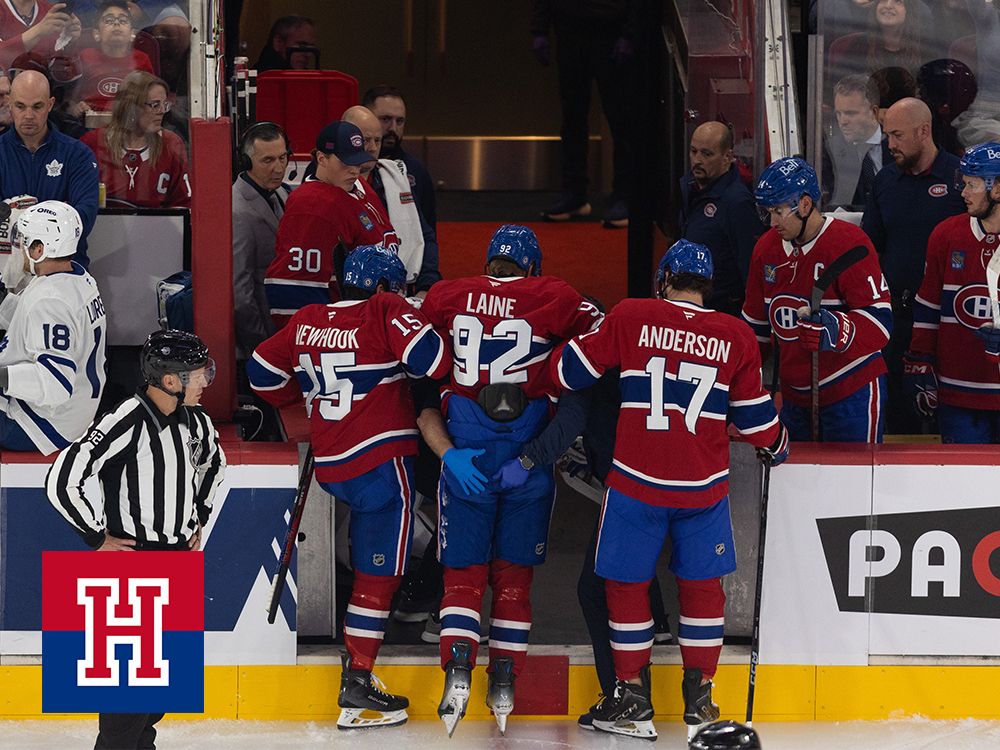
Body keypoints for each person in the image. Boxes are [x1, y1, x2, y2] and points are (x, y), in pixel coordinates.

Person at [554, 240, 789, 741]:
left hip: (635, 483)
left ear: (663, 280)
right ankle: (699, 698)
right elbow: (756, 420)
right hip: (701, 488)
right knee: (702, 590)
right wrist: (780, 444)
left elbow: (569, 371)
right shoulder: (736, 335)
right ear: (707, 288)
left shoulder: (632, 315)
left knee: (625, 586)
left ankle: (632, 698)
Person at [248, 245, 450, 730]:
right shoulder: (385, 308)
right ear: (384, 288)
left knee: (369, 564)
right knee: (378, 575)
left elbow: (260, 370)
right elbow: (435, 362)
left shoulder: (310, 318)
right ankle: (358, 681)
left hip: (333, 462)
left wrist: (304, 398)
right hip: (381, 461)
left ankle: (362, 672)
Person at [416, 224, 603, 735]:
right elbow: (601, 333)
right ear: (533, 267)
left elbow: (419, 353)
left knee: (463, 577)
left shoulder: (448, 294)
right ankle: (503, 675)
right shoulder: (557, 295)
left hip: (466, 458)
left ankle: (458, 665)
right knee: (514, 582)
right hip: (527, 462)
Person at [45, 328, 224, 750]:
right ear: (169, 380)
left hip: (177, 562)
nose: (204, 382)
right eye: (197, 374)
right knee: (126, 698)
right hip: (132, 568)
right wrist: (94, 536)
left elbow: (214, 468)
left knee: (157, 693)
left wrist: (196, 517)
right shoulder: (127, 418)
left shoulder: (197, 420)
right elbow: (63, 479)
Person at [743, 156, 892, 442]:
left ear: (805, 204)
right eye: (766, 212)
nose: (771, 222)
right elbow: (756, 329)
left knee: (852, 485)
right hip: (794, 398)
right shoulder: (765, 250)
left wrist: (836, 329)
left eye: (777, 211)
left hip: (851, 393)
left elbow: (881, 325)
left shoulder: (850, 243)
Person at [861, 97, 964, 433]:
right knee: (894, 416)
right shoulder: (884, 182)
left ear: (923, 131)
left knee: (947, 415)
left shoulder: (960, 180)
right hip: (895, 319)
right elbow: (870, 250)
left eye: (897, 135)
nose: (889, 144)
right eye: (886, 135)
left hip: (947, 323)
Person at [907, 141, 1000, 442]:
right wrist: (920, 360)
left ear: (997, 189)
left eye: (971, 185)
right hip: (957, 393)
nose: (962, 192)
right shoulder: (946, 235)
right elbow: (928, 305)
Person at [264, 120, 398, 328]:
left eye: (357, 161)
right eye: (346, 162)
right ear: (321, 158)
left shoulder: (356, 184)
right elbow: (294, 289)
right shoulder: (312, 207)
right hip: (351, 329)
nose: (355, 170)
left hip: (378, 315)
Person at [0, 200, 105, 453]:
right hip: (71, 413)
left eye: (24, 241)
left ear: (39, 249)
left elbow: (56, 384)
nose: (19, 247)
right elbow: (32, 322)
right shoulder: (75, 276)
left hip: (41, 424)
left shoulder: (50, 301)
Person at [532, 0, 636, 228]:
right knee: (572, 117)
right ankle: (574, 191)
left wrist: (630, 32)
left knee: (621, 119)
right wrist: (539, 28)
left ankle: (625, 195)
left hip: (611, 28)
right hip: (570, 26)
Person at [0, 70, 99, 266]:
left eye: (37, 106)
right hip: (5, 271)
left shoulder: (78, 155)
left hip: (63, 270)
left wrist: (16, 216)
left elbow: (83, 218)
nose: (28, 115)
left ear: (51, 104)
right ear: (9, 103)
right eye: (20, 106)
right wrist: (53, 218)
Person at [342, 104, 441, 297]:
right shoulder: (330, 187)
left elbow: (425, 237)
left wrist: (426, 287)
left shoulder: (397, 177)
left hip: (404, 290)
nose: (372, 148)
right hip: (353, 294)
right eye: (365, 141)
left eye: (377, 141)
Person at [679, 121, 764, 316]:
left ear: (728, 157)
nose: (697, 160)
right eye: (693, 151)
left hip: (721, 311)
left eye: (706, 154)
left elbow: (750, 270)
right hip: (691, 304)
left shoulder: (737, 202)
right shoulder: (690, 187)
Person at [80, 70, 190, 208]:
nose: (162, 111)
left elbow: (183, 205)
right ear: (130, 107)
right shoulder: (92, 144)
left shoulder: (171, 144)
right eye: (155, 105)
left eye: (164, 105)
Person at [232, 121, 291, 361]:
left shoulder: (282, 193)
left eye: (282, 158)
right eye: (268, 161)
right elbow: (240, 292)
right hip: (262, 337)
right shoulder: (237, 210)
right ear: (246, 162)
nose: (278, 168)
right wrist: (261, 347)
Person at [363, 85, 437, 231]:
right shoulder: (340, 168)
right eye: (385, 119)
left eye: (400, 121)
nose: (393, 128)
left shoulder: (416, 171)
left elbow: (427, 232)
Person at [823, 74, 891, 207]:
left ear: (874, 111)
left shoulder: (897, 142)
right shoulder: (830, 150)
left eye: (850, 113)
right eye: (838, 113)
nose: (842, 121)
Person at [76, 0, 154, 113]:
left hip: (130, 122)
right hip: (90, 123)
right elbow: (71, 99)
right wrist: (76, 107)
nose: (116, 24)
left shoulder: (142, 59)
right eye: (109, 20)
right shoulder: (85, 56)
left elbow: (151, 99)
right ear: (96, 34)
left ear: (133, 34)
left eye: (123, 20)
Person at [0, 1, 80, 70]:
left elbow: (59, 63)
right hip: (10, 81)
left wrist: (68, 40)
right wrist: (38, 31)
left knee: (89, 56)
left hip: (47, 81)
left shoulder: (50, 11)